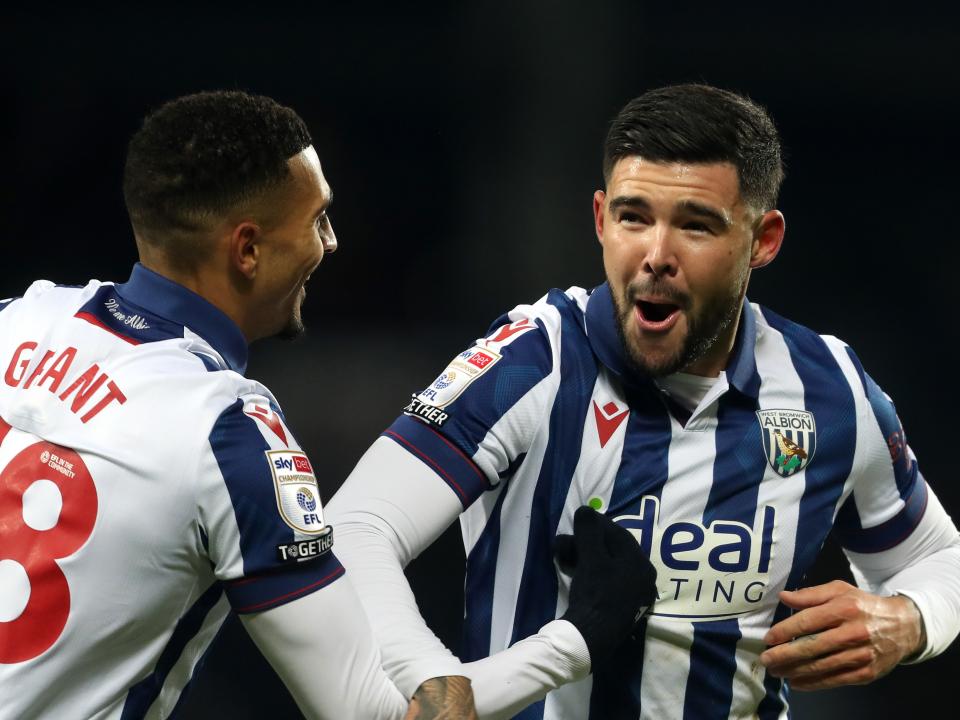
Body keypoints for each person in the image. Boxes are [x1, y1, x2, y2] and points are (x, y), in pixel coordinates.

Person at [325, 83, 960, 719]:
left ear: (763, 240)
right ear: (600, 219)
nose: (657, 257)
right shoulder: (534, 362)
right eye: (634, 218)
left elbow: (936, 558)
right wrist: (434, 679)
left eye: (695, 225)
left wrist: (909, 620)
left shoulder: (828, 388)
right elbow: (355, 527)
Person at [0, 90, 480, 720]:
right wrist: (573, 639)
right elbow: (374, 713)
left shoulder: (19, 318)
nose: (330, 244)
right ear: (247, 249)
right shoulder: (229, 433)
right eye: (318, 220)